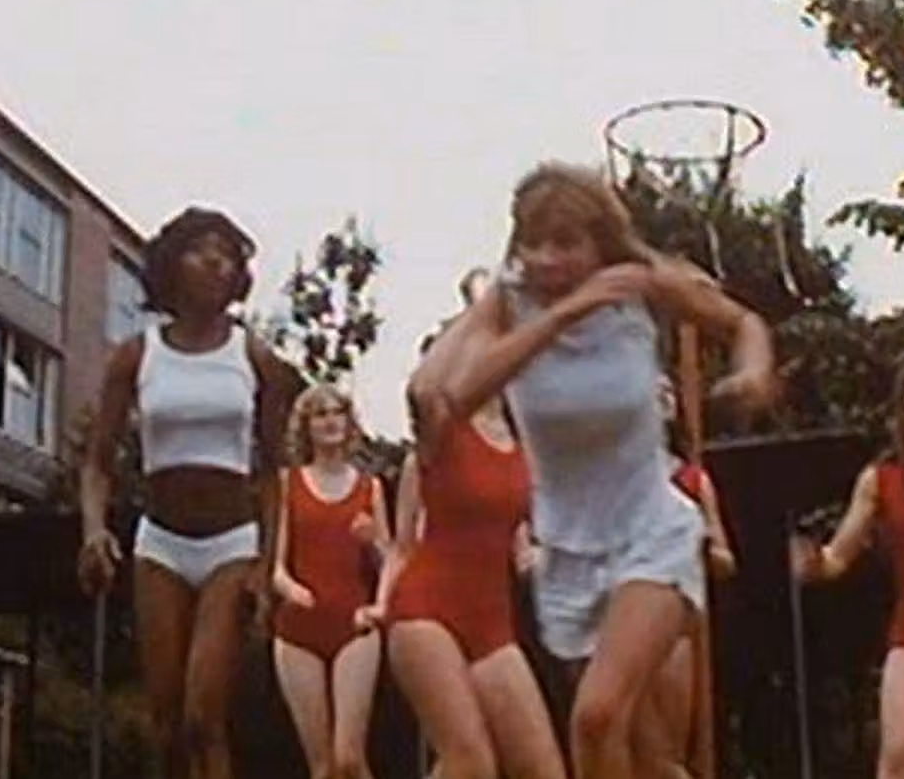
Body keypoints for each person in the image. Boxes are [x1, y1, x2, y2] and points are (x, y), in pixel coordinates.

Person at [409, 161, 778, 779]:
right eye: (533, 243)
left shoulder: (640, 283)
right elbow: (458, 395)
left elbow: (743, 323)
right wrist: (564, 312)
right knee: (644, 754)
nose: (546, 259)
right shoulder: (509, 302)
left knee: (595, 718)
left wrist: (753, 372)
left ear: (599, 241)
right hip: (567, 552)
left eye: (565, 243)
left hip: (652, 532)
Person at [76, 206, 296, 779]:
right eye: (202, 250)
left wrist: (267, 565)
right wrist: (94, 530)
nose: (217, 262)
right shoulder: (136, 354)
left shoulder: (254, 356)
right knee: (167, 722)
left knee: (204, 716)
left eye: (228, 254)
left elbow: (275, 471)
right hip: (161, 545)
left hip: (231, 543)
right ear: (173, 265)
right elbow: (97, 462)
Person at [374, 329, 566, 779]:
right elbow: (421, 390)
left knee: (544, 769)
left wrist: (540, 560)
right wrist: (480, 314)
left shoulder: (523, 446)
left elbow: (518, 537)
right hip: (426, 607)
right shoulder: (443, 429)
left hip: (491, 620)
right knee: (471, 763)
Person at [790, 355, 904, 779]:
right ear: (903, 402)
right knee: (899, 754)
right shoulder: (882, 477)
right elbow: (838, 558)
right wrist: (812, 561)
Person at [272, 385, 389, 779]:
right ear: (306, 426)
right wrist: (291, 589)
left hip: (354, 625)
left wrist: (373, 543)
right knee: (322, 767)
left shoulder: (370, 488)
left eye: (337, 411)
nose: (330, 421)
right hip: (299, 629)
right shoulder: (288, 484)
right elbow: (275, 566)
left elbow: (391, 563)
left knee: (349, 759)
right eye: (320, 414)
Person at [649, 374, 737, 773]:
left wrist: (701, 544)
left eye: (668, 390)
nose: (662, 397)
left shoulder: (693, 481)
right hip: (616, 620)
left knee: (665, 754)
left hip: (674, 625)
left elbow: (725, 561)